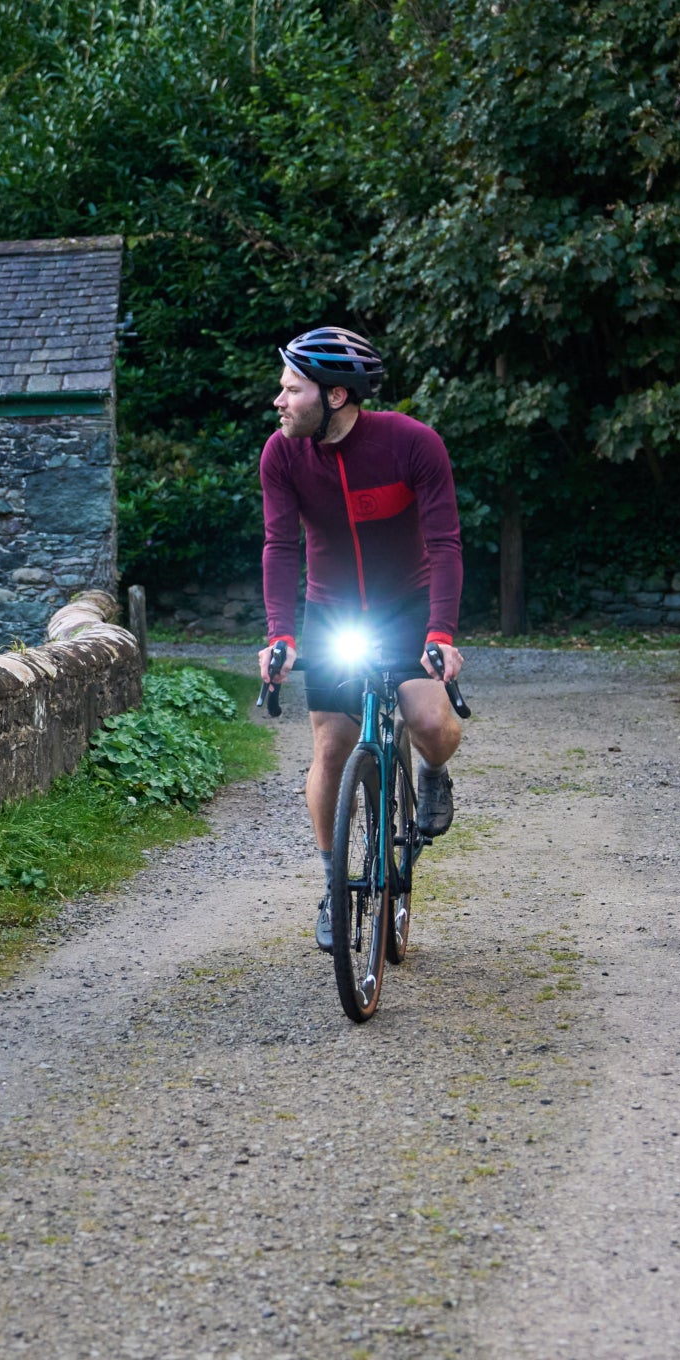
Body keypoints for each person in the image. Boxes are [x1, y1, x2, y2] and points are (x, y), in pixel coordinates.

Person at [255, 326, 466, 950]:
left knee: (430, 722)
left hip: (408, 606)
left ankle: (431, 772)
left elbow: (446, 543)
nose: (280, 401)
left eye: (292, 389)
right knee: (331, 749)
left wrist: (442, 633)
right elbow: (279, 545)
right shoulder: (282, 455)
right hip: (331, 608)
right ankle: (333, 885)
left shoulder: (411, 444)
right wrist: (281, 635)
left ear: (337, 395)